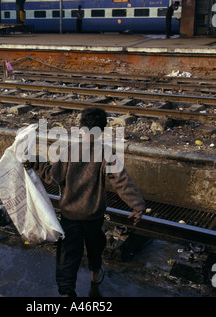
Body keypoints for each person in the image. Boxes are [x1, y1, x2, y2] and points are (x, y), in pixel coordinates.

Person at [24, 107, 147, 297]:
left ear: (82, 128)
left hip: (69, 215)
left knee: (67, 255)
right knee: (95, 246)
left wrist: (34, 161)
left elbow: (52, 177)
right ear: (103, 130)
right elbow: (122, 181)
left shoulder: (69, 151)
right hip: (94, 215)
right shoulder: (107, 153)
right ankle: (95, 273)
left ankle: (67, 292)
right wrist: (137, 206)